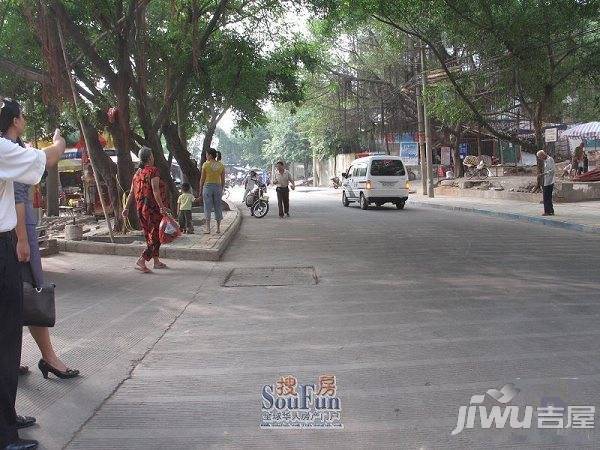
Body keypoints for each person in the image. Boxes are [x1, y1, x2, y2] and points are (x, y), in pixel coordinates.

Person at [0, 100, 67, 450]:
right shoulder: (4, 149)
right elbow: (51, 158)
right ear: (14, 120)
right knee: (6, 339)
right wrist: (59, 139)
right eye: (23, 116)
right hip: (2, 247)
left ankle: (6, 417)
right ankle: (5, 433)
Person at [122, 147, 169, 273]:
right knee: (155, 237)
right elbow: (155, 190)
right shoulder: (153, 171)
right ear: (149, 157)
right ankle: (142, 260)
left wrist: (126, 208)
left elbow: (131, 192)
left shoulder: (137, 173)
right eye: (152, 155)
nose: (153, 157)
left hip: (141, 210)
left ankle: (156, 261)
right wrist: (161, 207)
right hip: (152, 209)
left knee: (151, 235)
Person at [198, 148, 225, 234]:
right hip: (218, 187)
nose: (206, 156)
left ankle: (208, 228)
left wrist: (200, 190)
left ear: (210, 155)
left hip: (207, 187)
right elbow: (223, 180)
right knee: (218, 206)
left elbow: (202, 179)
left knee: (207, 207)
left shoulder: (205, 165)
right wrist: (222, 189)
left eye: (206, 154)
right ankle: (218, 228)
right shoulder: (221, 166)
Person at [537, 150, 555, 216]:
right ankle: (550, 211)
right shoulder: (546, 161)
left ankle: (547, 211)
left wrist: (543, 174)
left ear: (542, 155)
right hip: (546, 181)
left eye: (539, 157)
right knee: (547, 197)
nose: (540, 158)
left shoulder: (550, 159)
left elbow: (552, 170)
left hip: (549, 181)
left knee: (546, 197)